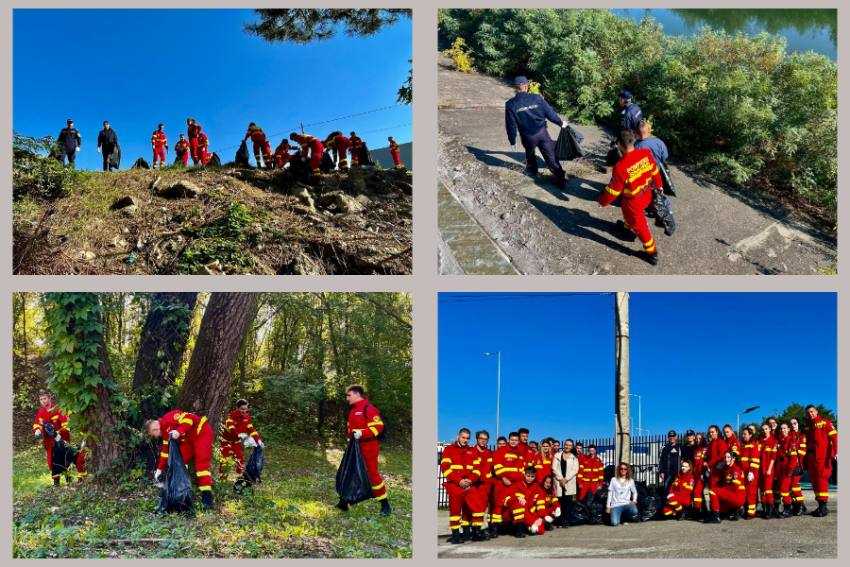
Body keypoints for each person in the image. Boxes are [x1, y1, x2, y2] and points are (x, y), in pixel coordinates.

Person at [598, 130, 662, 265]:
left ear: (620, 144)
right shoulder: (646, 153)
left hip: (633, 203)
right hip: (647, 193)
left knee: (641, 227)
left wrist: (603, 202)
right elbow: (655, 171)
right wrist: (659, 186)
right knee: (630, 218)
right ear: (633, 140)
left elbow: (613, 191)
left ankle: (652, 254)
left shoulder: (620, 167)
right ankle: (627, 229)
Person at [505, 76, 568, 190]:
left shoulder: (510, 104)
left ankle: (533, 170)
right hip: (542, 133)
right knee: (550, 155)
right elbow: (550, 113)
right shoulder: (537, 98)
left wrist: (512, 140)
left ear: (515, 88)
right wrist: (560, 123)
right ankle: (561, 179)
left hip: (527, 136)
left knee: (530, 153)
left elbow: (511, 125)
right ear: (526, 86)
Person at [146, 409, 215, 510]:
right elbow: (165, 452)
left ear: (154, 429)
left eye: (153, 435)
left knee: (201, 466)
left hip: (201, 432)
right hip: (188, 439)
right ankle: (182, 492)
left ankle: (207, 498)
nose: (156, 437)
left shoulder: (168, 418)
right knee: (179, 461)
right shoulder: (165, 432)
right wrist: (159, 469)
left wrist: (179, 431)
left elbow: (189, 418)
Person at [340, 384, 391, 516]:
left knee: (373, 475)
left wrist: (362, 433)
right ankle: (345, 501)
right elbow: (350, 429)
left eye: (349, 395)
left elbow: (378, 427)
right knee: (350, 472)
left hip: (369, 447)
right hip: (354, 447)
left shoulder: (368, 408)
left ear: (357, 394)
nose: (347, 398)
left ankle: (385, 505)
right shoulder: (352, 410)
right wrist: (350, 437)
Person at [441, 428, 486, 543]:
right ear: (458, 436)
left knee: (469, 510)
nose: (465, 440)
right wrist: (459, 481)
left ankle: (467, 535)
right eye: (463, 437)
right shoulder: (449, 449)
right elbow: (445, 468)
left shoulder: (472, 451)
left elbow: (477, 470)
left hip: (469, 485)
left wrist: (470, 480)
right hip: (455, 486)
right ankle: (455, 536)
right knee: (455, 511)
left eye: (467, 438)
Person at [804, 405, 837, 517]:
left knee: (822, 481)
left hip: (823, 458)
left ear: (816, 411)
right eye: (808, 413)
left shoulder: (825, 423)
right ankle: (820, 506)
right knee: (814, 482)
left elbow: (835, 438)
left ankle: (823, 507)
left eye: (812, 411)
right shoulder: (808, 426)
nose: (810, 414)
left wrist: (836, 452)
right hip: (811, 458)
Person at [32, 391, 71, 485]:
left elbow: (66, 425)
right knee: (52, 461)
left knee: (63, 459)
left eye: (44, 398)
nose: (43, 401)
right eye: (41, 399)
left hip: (60, 439)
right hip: (49, 441)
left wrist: (58, 434)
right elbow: (37, 424)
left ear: (49, 398)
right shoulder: (41, 411)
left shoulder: (57, 409)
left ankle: (68, 480)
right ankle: (56, 483)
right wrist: (37, 430)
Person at [491, 431, 526, 535]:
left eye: (516, 440)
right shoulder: (501, 451)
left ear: (518, 441)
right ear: (508, 440)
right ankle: (495, 529)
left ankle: (519, 529)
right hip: (502, 483)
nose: (514, 442)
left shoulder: (520, 453)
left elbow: (521, 469)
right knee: (498, 505)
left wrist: (520, 482)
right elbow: (497, 466)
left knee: (517, 503)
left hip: (515, 485)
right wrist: (503, 477)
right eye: (512, 440)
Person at [219, 399, 264, 475]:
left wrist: (258, 440)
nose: (244, 411)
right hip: (226, 442)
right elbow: (231, 427)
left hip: (237, 442)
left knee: (240, 460)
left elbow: (251, 430)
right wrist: (238, 435)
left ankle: (239, 477)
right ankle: (223, 478)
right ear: (237, 408)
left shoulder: (247, 417)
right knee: (225, 461)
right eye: (242, 409)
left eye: (246, 409)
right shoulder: (231, 416)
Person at [705, 451, 746, 523]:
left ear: (733, 459)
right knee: (719, 503)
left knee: (713, 491)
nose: (726, 459)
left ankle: (716, 517)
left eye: (728, 457)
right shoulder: (727, 468)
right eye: (725, 457)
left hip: (737, 495)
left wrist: (721, 490)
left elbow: (735, 487)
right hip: (732, 494)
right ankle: (735, 510)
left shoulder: (735, 470)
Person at [469, 430, 495, 538]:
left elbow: (493, 469)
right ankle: (475, 532)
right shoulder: (471, 452)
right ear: (477, 439)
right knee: (476, 508)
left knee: (484, 509)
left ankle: (481, 529)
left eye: (485, 439)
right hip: (475, 485)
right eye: (481, 439)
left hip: (486, 486)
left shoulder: (489, 453)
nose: (483, 441)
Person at [775, 422, 801, 518]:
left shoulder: (791, 440)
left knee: (784, 489)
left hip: (787, 470)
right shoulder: (780, 440)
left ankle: (788, 509)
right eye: (781, 428)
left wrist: (790, 470)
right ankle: (788, 508)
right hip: (781, 469)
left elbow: (793, 457)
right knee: (784, 489)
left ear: (788, 429)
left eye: (785, 428)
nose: (783, 430)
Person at [552, 438, 579, 526]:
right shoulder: (557, 455)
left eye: (570, 445)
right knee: (560, 502)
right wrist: (561, 479)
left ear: (572, 447)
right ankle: (559, 521)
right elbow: (554, 468)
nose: (567, 446)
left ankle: (566, 520)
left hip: (569, 482)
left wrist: (566, 479)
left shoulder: (574, 457)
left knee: (568, 502)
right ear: (564, 445)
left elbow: (575, 470)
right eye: (566, 444)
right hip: (559, 482)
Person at [738, 427, 761, 519]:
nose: (743, 436)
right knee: (745, 492)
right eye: (742, 434)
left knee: (751, 492)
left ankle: (751, 513)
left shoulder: (754, 444)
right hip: (743, 472)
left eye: (745, 434)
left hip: (751, 473)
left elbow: (755, 460)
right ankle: (746, 509)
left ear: (750, 435)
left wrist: (751, 472)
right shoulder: (742, 445)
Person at [606, 462, 639, 526]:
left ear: (627, 470)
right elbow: (610, 493)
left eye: (625, 469)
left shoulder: (630, 481)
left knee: (634, 511)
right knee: (614, 523)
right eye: (621, 469)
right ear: (619, 470)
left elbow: (634, 492)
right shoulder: (613, 480)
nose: (623, 470)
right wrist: (608, 506)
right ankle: (620, 518)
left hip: (626, 504)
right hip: (615, 505)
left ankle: (624, 518)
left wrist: (634, 500)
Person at [759, 422, 778, 518]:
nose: (764, 431)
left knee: (768, 490)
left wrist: (769, 469)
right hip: (760, 469)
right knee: (762, 490)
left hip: (768, 469)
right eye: (763, 429)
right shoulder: (760, 441)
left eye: (766, 429)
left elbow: (773, 457)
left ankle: (770, 510)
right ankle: (764, 509)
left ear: (770, 429)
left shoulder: (773, 441)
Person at [789, 418, 807, 514]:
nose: (793, 425)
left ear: (798, 424)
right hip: (788, 465)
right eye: (791, 424)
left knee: (794, 485)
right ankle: (797, 505)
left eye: (795, 423)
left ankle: (800, 506)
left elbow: (803, 452)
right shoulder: (788, 435)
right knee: (790, 486)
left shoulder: (802, 435)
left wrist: (795, 451)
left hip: (798, 464)